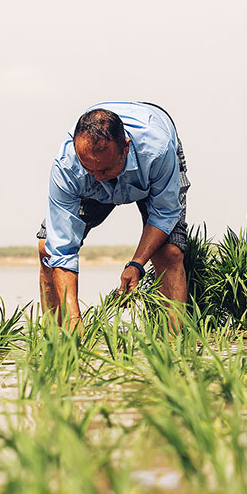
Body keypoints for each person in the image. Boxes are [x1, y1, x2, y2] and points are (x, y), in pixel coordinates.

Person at [38, 101, 188, 327]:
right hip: (90, 185)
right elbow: (62, 248)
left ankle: (174, 348)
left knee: (169, 252)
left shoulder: (158, 150)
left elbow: (165, 213)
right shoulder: (68, 166)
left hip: (148, 172)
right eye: (89, 168)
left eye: (105, 169)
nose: (97, 177)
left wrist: (136, 264)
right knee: (46, 249)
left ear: (125, 148)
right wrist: (75, 320)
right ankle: (58, 340)